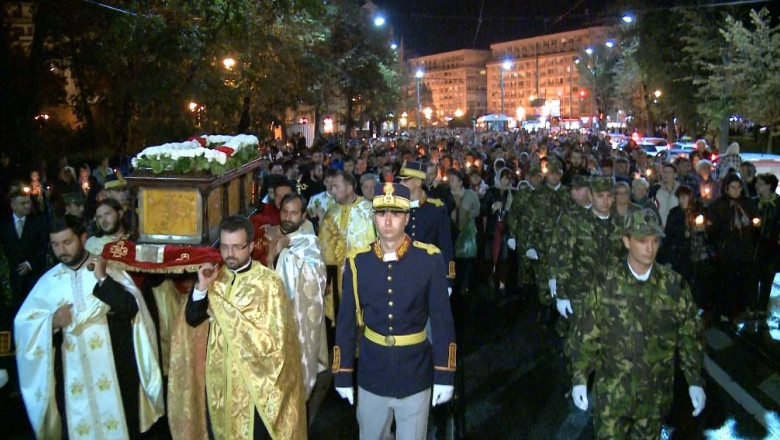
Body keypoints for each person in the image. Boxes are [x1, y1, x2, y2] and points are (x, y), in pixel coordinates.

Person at [14, 216, 164, 439]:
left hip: (116, 370)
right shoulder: (48, 282)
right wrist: (52, 322)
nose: (61, 250)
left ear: (82, 238)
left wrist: (102, 279)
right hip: (71, 375)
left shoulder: (108, 268)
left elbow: (131, 309)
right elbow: (24, 325)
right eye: (55, 244)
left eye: (67, 242)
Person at [333, 182, 456, 440]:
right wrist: (342, 372)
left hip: (414, 372)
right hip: (372, 373)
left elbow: (443, 323)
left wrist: (444, 374)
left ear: (407, 217)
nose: (387, 221)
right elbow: (346, 323)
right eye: (381, 213)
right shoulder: (358, 261)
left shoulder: (429, 259)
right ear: (373, 216)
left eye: (396, 214)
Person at [569, 209, 706, 439]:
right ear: (626, 241)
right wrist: (579, 378)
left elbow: (690, 334)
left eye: (655, 241)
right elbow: (586, 334)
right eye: (642, 241)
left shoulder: (673, 285)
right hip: (612, 397)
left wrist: (694, 380)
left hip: (654, 399)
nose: (650, 248)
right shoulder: (606, 283)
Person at [185, 215, 306, 439]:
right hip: (220, 380)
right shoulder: (214, 278)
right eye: (224, 247)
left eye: (237, 247)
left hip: (255, 386)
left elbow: (281, 344)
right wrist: (201, 287)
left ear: (250, 246)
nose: (230, 254)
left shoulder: (269, 283)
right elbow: (192, 319)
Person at [267, 193, 327, 400]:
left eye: (294, 213)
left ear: (303, 217)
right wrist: (271, 256)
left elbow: (317, 280)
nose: (288, 217)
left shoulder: (309, 243)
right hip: (271, 316)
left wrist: (288, 249)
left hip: (297, 315)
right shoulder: (267, 236)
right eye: (284, 212)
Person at [399, 160, 455, 282]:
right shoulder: (396, 208)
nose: (401, 183)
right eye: (401, 179)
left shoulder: (436, 208)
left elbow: (445, 245)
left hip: (429, 274)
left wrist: (448, 278)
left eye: (405, 179)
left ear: (418, 181)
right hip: (402, 274)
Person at [753, 173, 780, 319]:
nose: (757, 186)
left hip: (772, 248)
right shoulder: (754, 202)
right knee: (753, 278)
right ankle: (752, 307)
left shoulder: (778, 204)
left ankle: (762, 308)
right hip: (755, 247)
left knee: (767, 279)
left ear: (769, 186)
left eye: (761, 183)